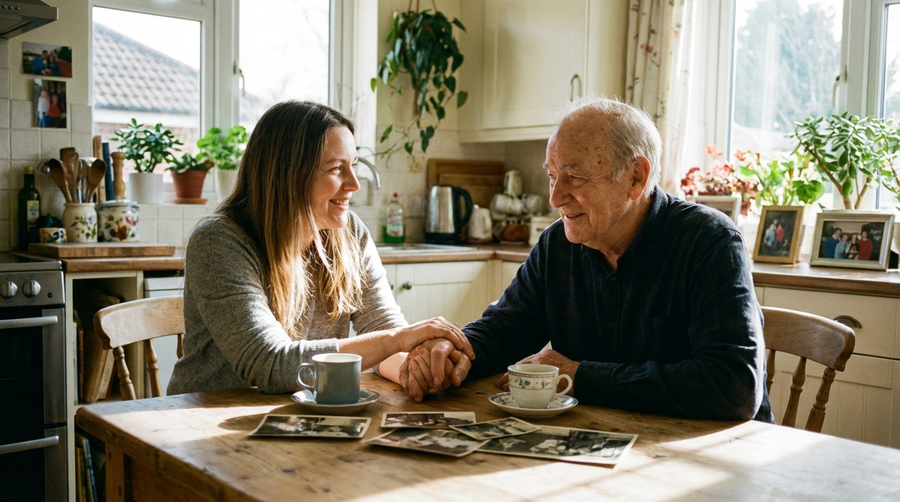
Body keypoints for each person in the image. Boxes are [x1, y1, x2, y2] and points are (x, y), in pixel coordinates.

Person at [402, 97, 773, 423]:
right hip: (603, 441)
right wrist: (454, 351)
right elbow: (505, 330)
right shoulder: (557, 245)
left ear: (635, 177)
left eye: (574, 177)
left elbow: (733, 386)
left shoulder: (708, 242)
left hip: (713, 460)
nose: (555, 197)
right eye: (551, 176)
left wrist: (579, 375)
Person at [167, 101, 474, 395]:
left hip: (298, 414)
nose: (354, 184)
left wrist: (416, 369)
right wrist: (399, 339)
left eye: (353, 166)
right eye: (335, 169)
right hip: (202, 419)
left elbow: (384, 333)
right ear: (288, 175)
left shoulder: (349, 232)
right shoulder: (219, 241)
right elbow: (271, 363)